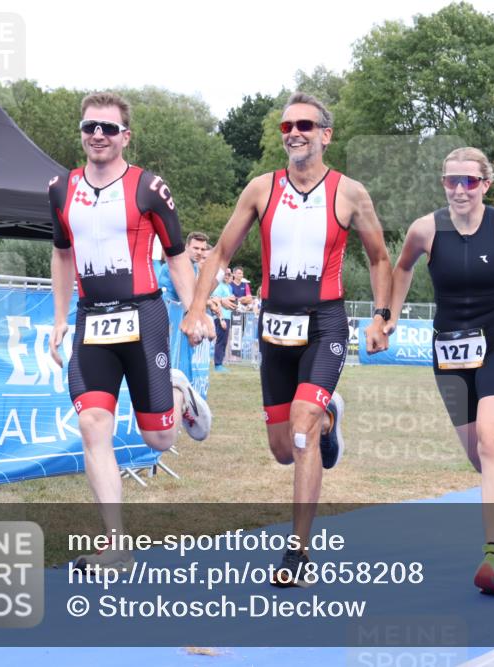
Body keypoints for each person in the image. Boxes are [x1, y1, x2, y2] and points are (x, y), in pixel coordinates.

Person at [181, 92, 392, 586]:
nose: (293, 132)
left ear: (325, 133)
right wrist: (196, 307)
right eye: (285, 126)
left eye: (303, 124)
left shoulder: (349, 193)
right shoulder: (261, 188)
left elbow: (380, 257)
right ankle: (329, 418)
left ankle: (298, 552)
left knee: (301, 428)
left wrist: (381, 317)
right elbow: (219, 252)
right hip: (274, 326)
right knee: (282, 448)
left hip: (325, 323)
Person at [48, 91, 212, 572]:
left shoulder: (148, 188)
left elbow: (177, 253)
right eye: (89, 126)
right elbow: (61, 255)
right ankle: (115, 544)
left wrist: (194, 309)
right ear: (81, 132)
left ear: (126, 136)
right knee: (91, 424)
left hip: (143, 317)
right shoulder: (61, 189)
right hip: (91, 320)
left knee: (158, 440)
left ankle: (177, 396)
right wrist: (60, 318)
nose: (97, 134)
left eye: (108, 128)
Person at [386, 147, 494, 595]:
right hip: (449, 351)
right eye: (451, 181)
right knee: (476, 454)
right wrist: (389, 315)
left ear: (486, 184)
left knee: (490, 438)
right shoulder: (425, 229)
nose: (460, 189)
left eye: (470, 181)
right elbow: (401, 268)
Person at [158, 232, 211, 302]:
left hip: (179, 307)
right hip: (166, 307)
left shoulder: (194, 266)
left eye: (202, 249)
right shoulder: (176, 264)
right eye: (196, 248)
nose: (199, 252)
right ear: (186, 247)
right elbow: (186, 294)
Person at [211, 267, 236, 372]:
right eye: (225, 274)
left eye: (229, 274)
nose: (227, 276)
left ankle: (220, 363)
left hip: (227, 316)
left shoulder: (229, 287)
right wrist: (221, 319)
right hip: (220, 317)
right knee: (221, 341)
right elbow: (216, 302)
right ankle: (218, 364)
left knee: (224, 341)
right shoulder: (218, 286)